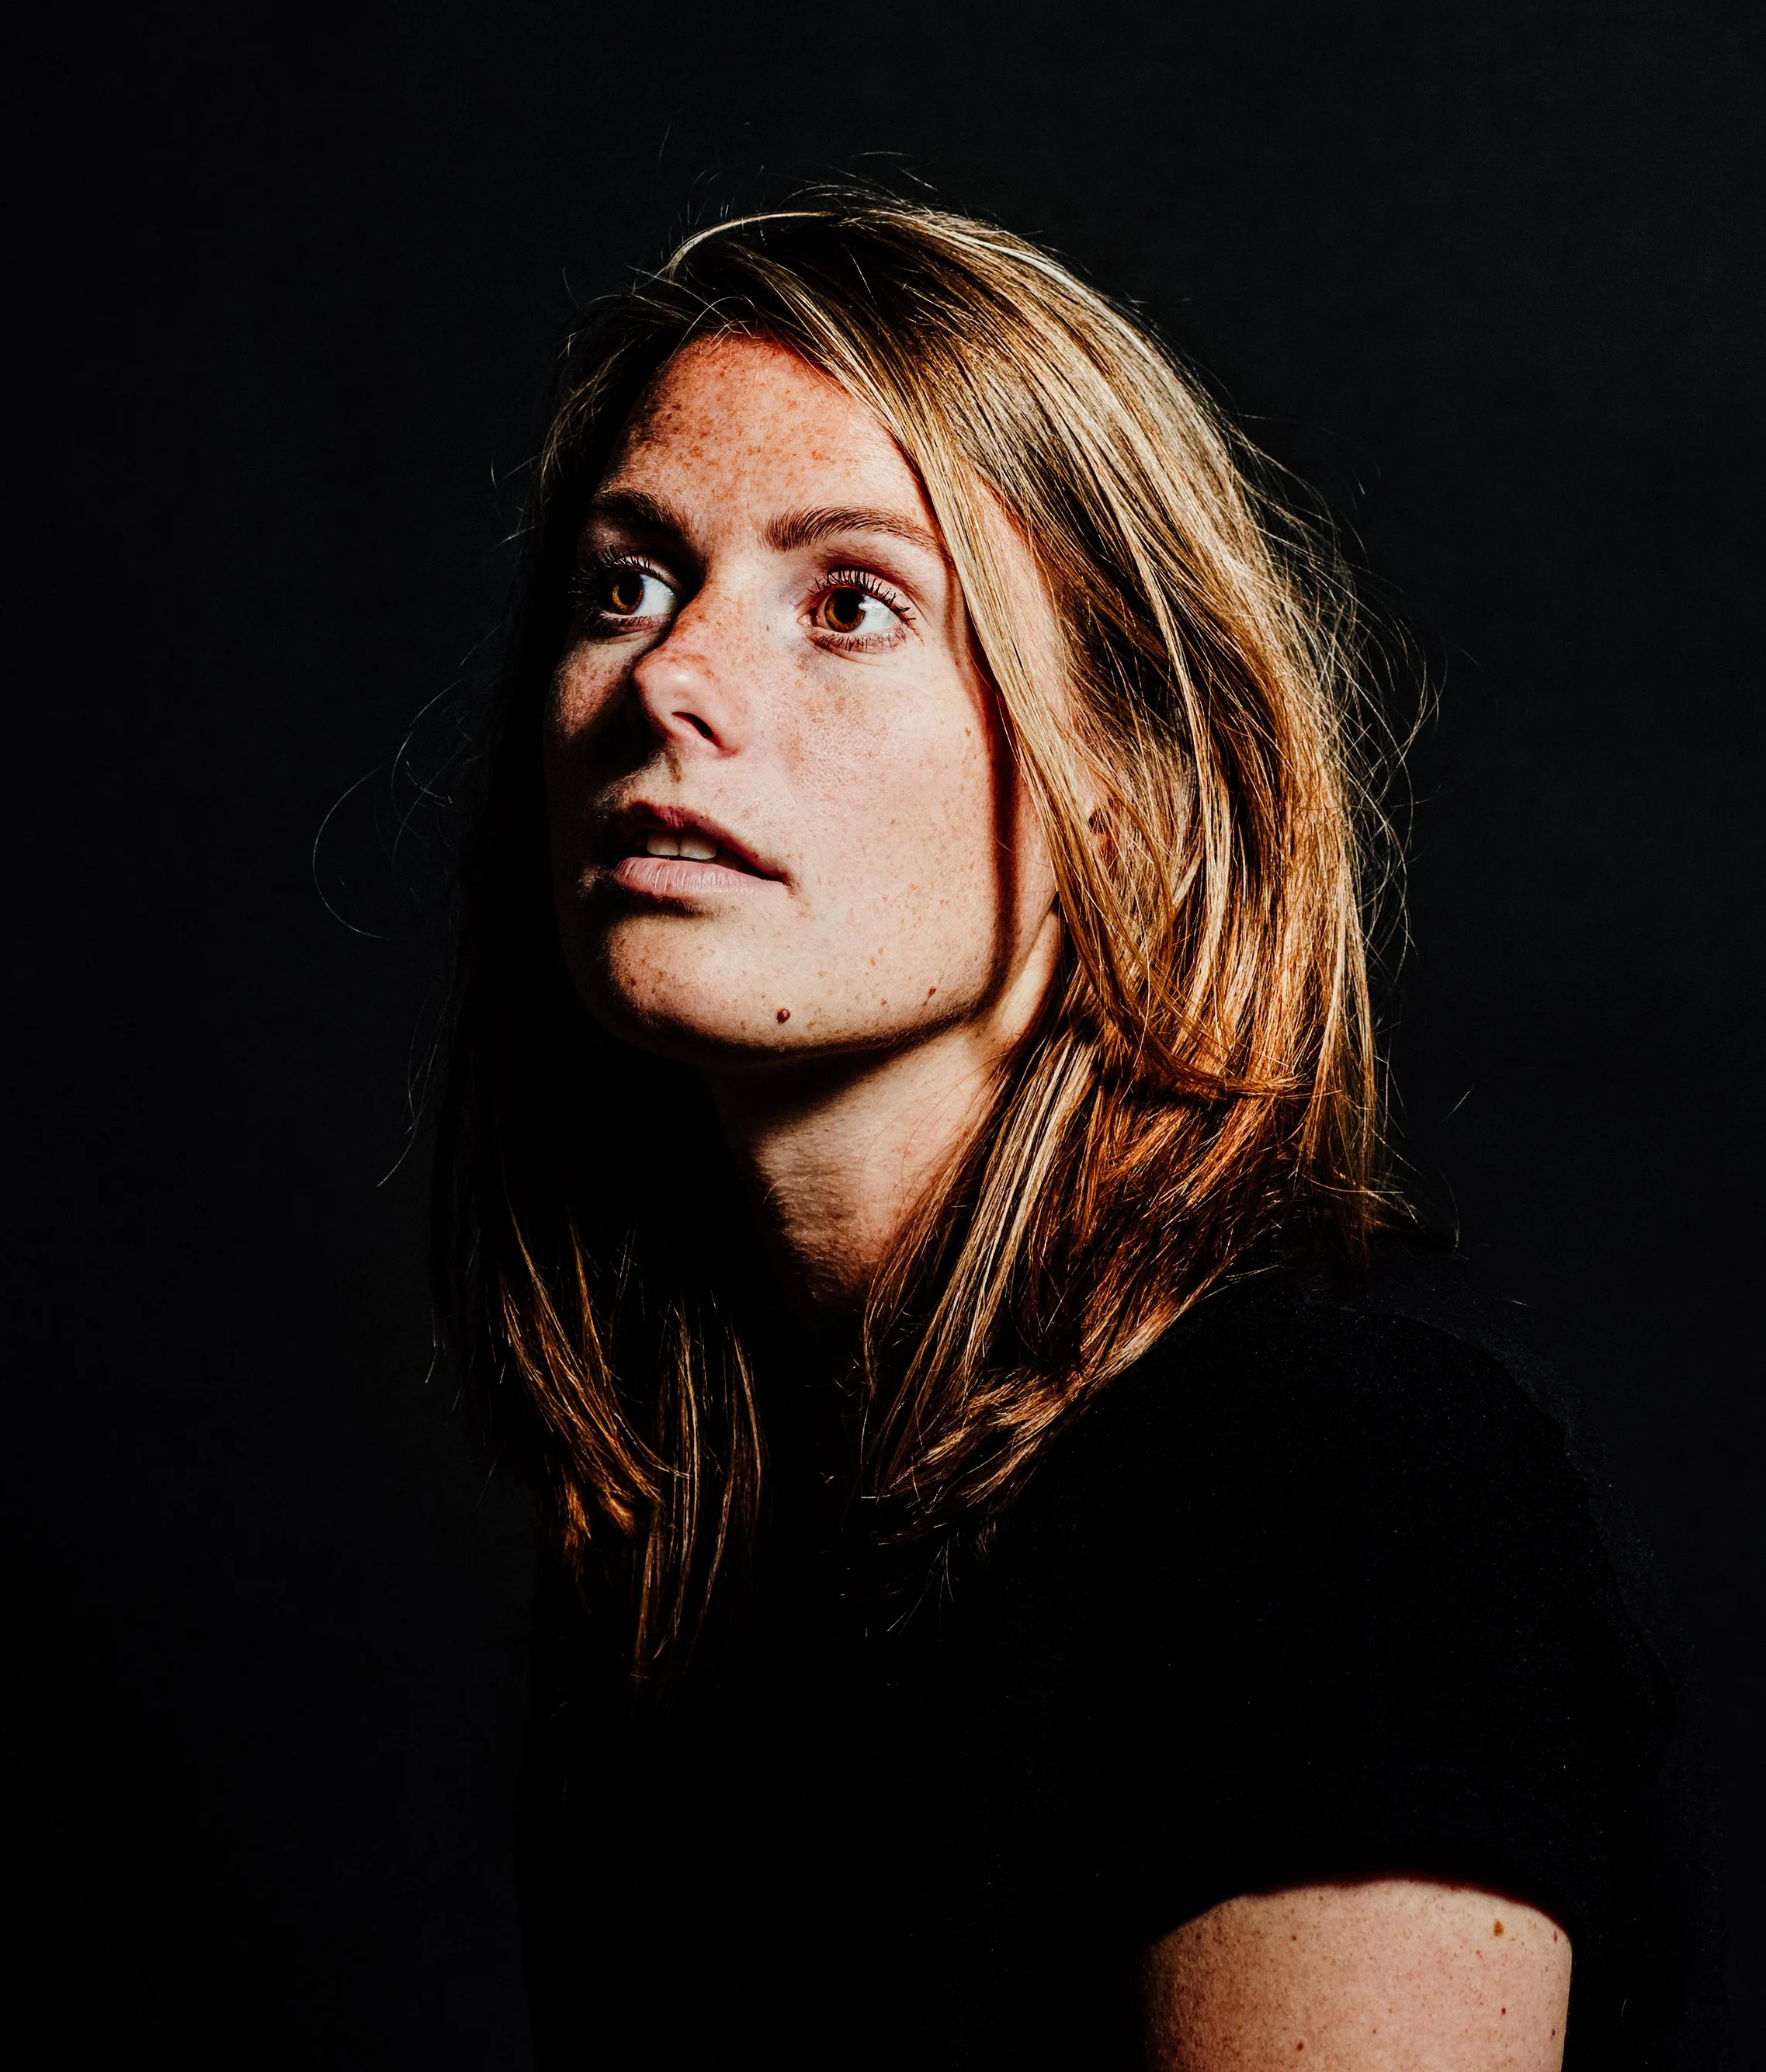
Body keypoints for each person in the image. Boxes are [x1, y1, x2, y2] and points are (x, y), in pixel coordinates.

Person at [429, 197, 1680, 2068]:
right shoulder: (679, 1599)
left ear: (1123, 787)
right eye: (624, 582)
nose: (668, 681)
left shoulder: (1336, 1490)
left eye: (848, 601)